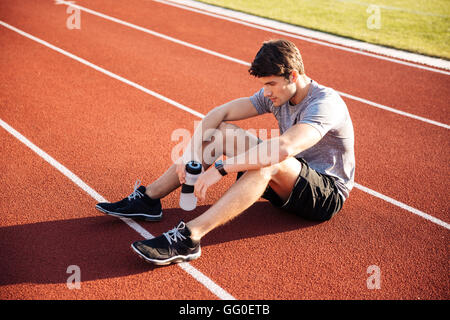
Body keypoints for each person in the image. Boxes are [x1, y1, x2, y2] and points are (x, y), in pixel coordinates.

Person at [96, 39, 355, 266]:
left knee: (269, 160)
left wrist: (221, 169)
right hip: (292, 176)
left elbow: (284, 148)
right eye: (264, 85)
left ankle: (189, 238)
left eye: (271, 84)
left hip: (325, 194)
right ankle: (149, 199)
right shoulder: (277, 93)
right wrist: (190, 154)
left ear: (294, 76)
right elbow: (219, 113)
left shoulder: (324, 104)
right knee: (221, 133)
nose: (266, 92)